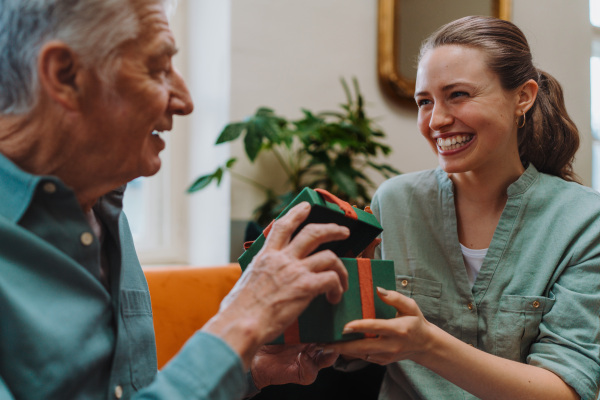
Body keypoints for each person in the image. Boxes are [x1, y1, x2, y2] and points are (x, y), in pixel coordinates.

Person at [0, 0, 350, 399]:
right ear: (65, 75)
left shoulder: (104, 209)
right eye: (158, 68)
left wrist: (246, 369)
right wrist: (241, 324)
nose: (185, 100)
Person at [325, 16, 600, 400]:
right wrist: (327, 300)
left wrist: (426, 344)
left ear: (523, 96)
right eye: (425, 101)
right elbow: (360, 347)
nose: (436, 120)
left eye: (458, 95)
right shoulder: (394, 202)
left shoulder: (585, 221)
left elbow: (566, 390)